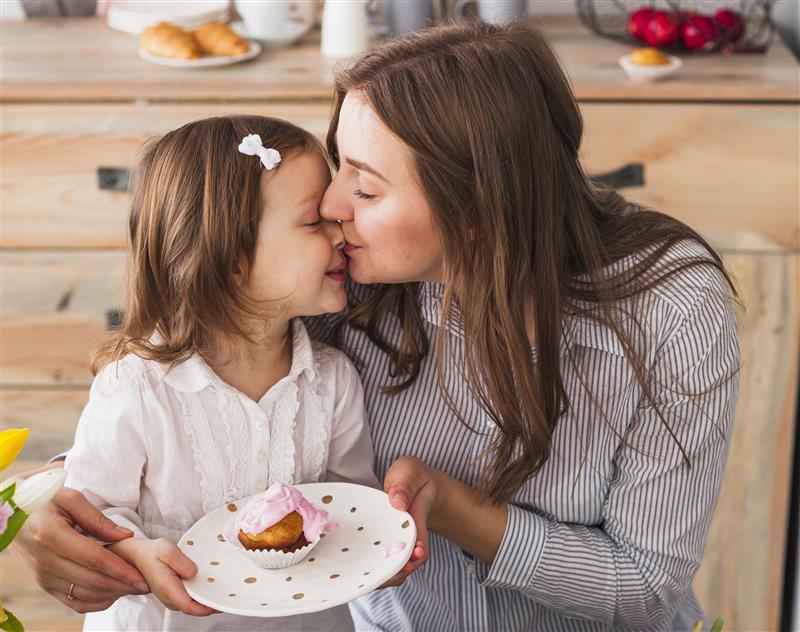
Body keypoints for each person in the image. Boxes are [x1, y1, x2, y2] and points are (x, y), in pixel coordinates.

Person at [13, 21, 739, 631]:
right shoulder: (340, 280)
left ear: (478, 211)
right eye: (338, 170)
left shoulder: (670, 312)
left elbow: (647, 580)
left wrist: (458, 511)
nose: (330, 205)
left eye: (364, 184)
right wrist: (48, 508)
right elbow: (190, 393)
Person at [43, 115, 386, 631]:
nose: (341, 232)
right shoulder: (136, 389)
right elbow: (89, 513)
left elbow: (349, 503)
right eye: (315, 221)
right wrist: (136, 552)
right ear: (231, 259)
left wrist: (378, 546)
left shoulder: (333, 380)